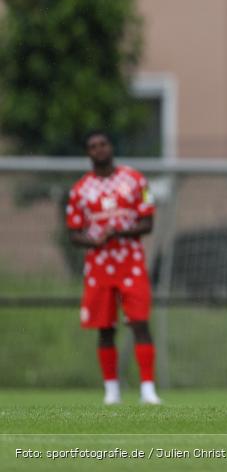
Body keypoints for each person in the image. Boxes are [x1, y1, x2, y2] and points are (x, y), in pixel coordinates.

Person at [66, 130, 160, 405]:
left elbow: (148, 223)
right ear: (88, 153)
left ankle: (147, 389)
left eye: (103, 144)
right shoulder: (80, 190)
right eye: (93, 146)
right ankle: (111, 390)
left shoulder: (134, 180)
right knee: (105, 328)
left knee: (140, 322)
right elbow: (74, 233)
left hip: (130, 262)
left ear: (111, 147)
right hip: (98, 266)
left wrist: (116, 233)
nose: (99, 149)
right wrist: (93, 240)